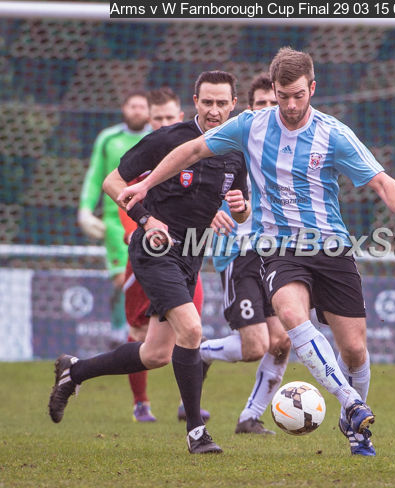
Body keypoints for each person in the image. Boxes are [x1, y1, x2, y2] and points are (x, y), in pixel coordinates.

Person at [118, 47, 395, 457]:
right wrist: (145, 185)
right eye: (283, 95)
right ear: (273, 88)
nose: (289, 105)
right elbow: (192, 150)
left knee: (355, 349)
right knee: (289, 316)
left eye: (298, 95)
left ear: (312, 89)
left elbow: (380, 181)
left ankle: (355, 426)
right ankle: (351, 403)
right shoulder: (250, 125)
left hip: (331, 247)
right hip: (278, 248)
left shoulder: (332, 133)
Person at [48, 71, 249, 455]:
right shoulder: (167, 140)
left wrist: (240, 210)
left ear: (233, 104)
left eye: (222, 103)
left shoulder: (236, 151)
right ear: (195, 101)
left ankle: (75, 370)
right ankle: (197, 432)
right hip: (154, 250)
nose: (214, 110)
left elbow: (242, 209)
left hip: (191, 256)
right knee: (192, 330)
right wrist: (146, 219)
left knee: (155, 353)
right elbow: (112, 182)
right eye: (207, 101)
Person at [200, 73, 288, 435]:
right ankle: (198, 352)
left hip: (276, 255)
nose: (268, 109)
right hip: (238, 253)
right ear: (249, 109)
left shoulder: (292, 148)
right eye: (261, 103)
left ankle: (250, 417)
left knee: (281, 342)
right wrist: (210, 213)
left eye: (274, 103)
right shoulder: (232, 146)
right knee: (255, 346)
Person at [118, 87, 210, 424]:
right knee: (141, 333)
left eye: (169, 117)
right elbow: (118, 191)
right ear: (149, 121)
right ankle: (141, 403)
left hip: (185, 254)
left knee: (191, 328)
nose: (164, 124)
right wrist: (136, 227)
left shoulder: (197, 151)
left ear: (181, 117)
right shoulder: (145, 154)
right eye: (157, 119)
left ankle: (189, 405)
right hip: (146, 253)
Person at [78, 91, 150, 346]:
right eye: (133, 105)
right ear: (124, 109)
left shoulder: (156, 137)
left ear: (149, 111)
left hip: (151, 218)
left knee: (147, 275)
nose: (137, 110)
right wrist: (85, 209)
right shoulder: (108, 138)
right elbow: (95, 176)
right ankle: (120, 333)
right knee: (122, 277)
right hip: (115, 221)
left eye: (142, 106)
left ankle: (142, 329)